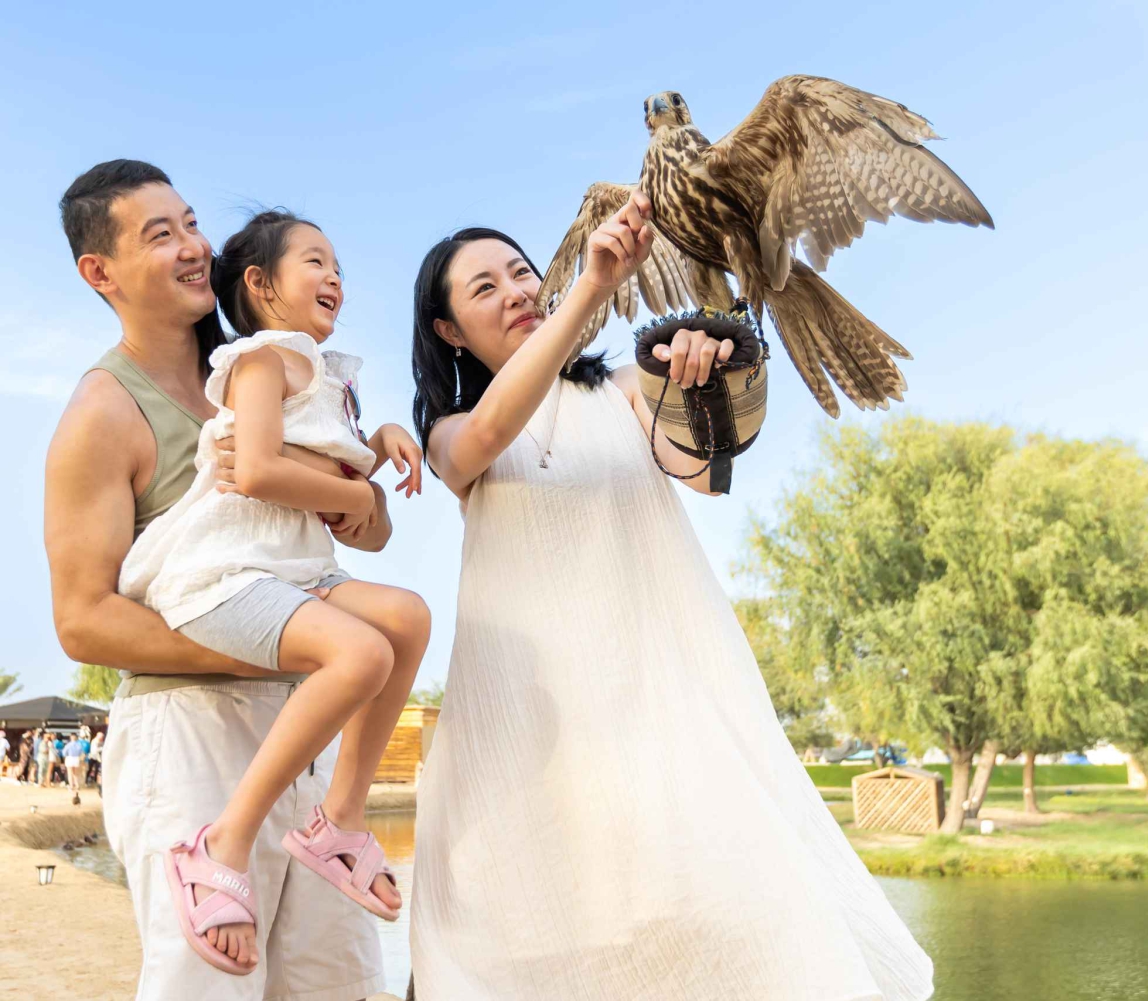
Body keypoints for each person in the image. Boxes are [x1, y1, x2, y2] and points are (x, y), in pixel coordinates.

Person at [405, 194, 933, 999]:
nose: (514, 291)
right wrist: (595, 286)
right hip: (527, 721)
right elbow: (481, 441)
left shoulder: (622, 388)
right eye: (485, 288)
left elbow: (705, 473)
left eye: (520, 272)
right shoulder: (453, 430)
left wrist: (708, 375)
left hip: (650, 699)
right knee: (518, 928)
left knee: (720, 910)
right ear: (449, 330)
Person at [44, 159, 390, 1000]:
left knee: (339, 982)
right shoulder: (103, 413)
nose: (195, 247)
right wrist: (272, 645)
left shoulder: (269, 367)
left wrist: (365, 498)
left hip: (303, 731)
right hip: (189, 733)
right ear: (100, 272)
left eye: (192, 223)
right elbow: (83, 620)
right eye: (161, 235)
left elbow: (361, 523)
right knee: (208, 986)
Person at [118, 207, 431, 975]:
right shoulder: (261, 361)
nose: (334, 278)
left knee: (408, 617)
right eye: (314, 262)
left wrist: (378, 441)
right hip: (226, 571)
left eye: (338, 267)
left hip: (295, 570)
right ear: (260, 284)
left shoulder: (328, 378)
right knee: (360, 655)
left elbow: (347, 494)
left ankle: (340, 818)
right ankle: (221, 842)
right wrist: (355, 490)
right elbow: (257, 470)